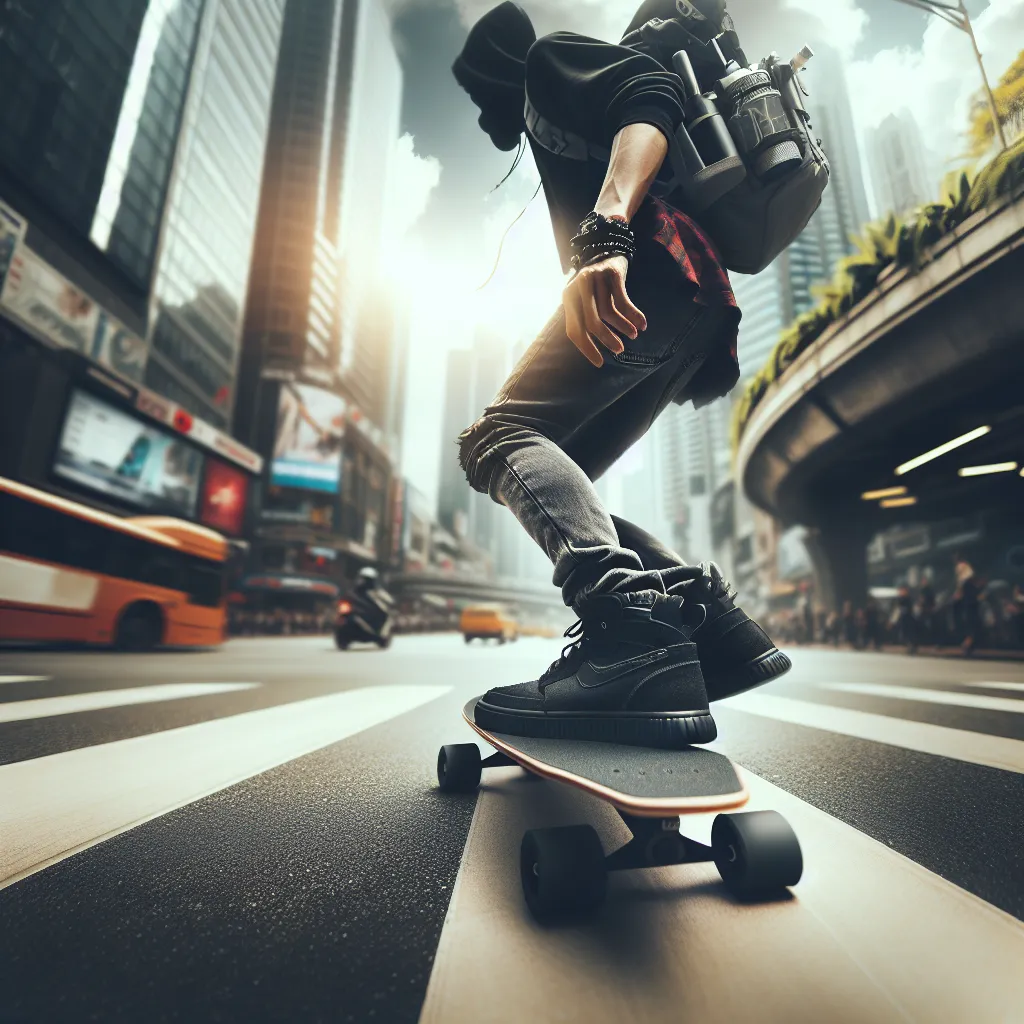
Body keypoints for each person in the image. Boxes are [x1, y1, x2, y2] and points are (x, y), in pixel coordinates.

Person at [451, 0, 791, 748]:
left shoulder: (549, 63)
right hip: (688, 302)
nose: (482, 118)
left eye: (478, 96)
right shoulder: (551, 119)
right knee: (561, 471)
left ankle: (632, 635)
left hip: (652, 279)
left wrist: (604, 235)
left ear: (496, 72)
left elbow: (651, 98)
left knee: (496, 438)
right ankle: (706, 623)